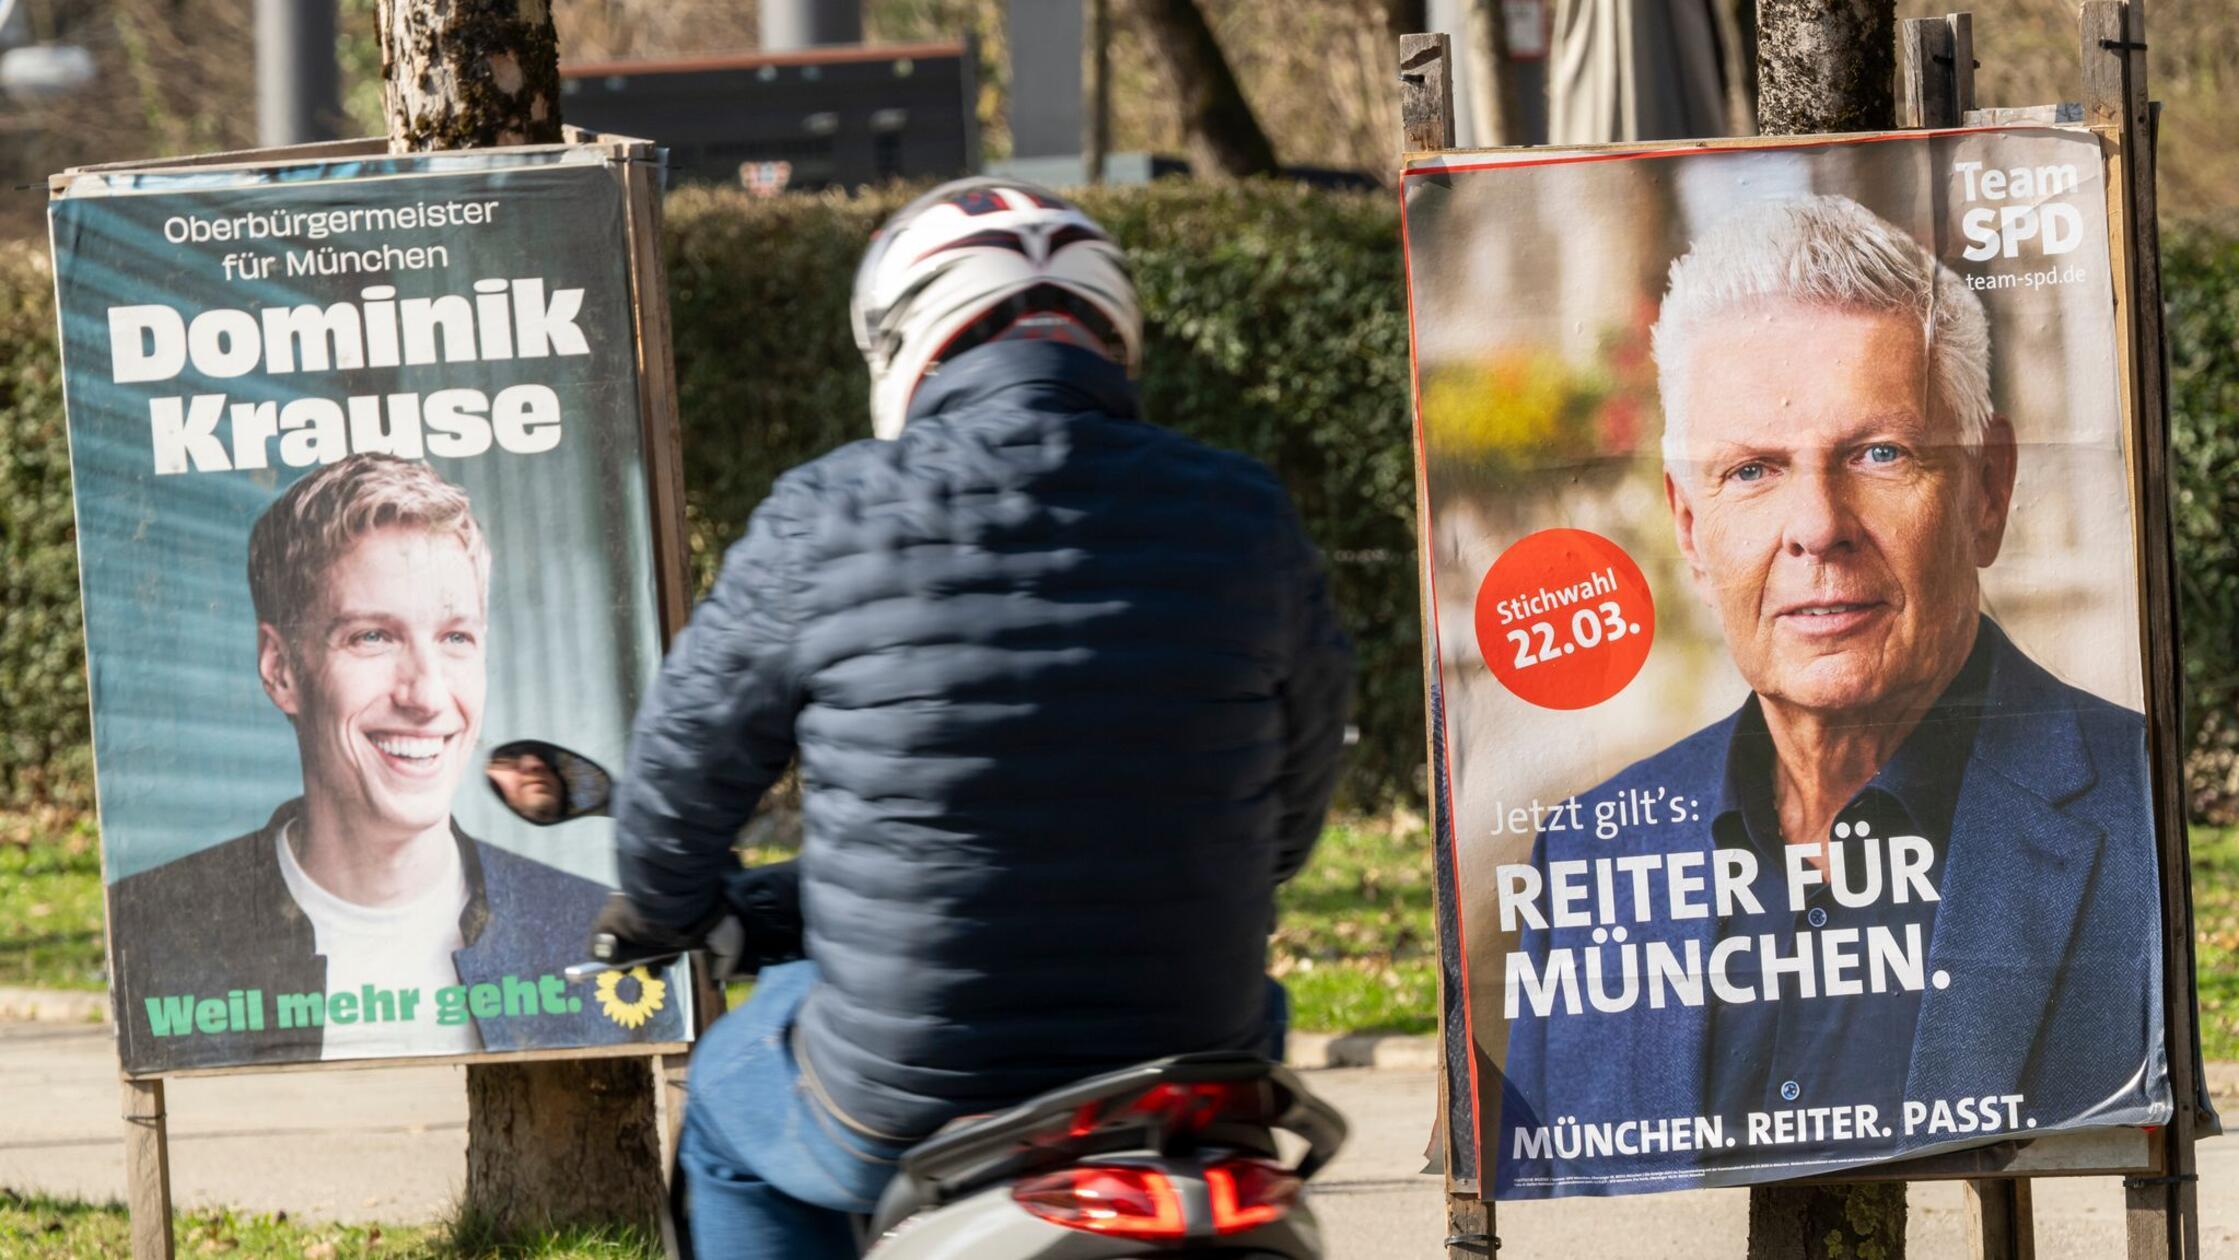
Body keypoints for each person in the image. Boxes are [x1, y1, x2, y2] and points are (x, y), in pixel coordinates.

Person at [600, 178, 1355, 1256]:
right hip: (1194, 1072)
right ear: (1113, 337)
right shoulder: (1243, 510)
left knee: (727, 1099)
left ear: (906, 338)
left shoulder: (825, 514)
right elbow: (1296, 794)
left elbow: (677, 784)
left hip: (907, 1094)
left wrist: (665, 907)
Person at [1498, 195, 2166, 1196]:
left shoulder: (2130, 806)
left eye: (1878, 454)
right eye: (1752, 470)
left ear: (1986, 490)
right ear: (1687, 524)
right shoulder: (1591, 855)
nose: (1816, 527)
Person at [108, 454, 680, 1070]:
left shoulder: (598, 933)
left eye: (455, 638)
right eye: (371, 637)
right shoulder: (155, 932)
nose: (427, 696)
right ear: (281, 670)